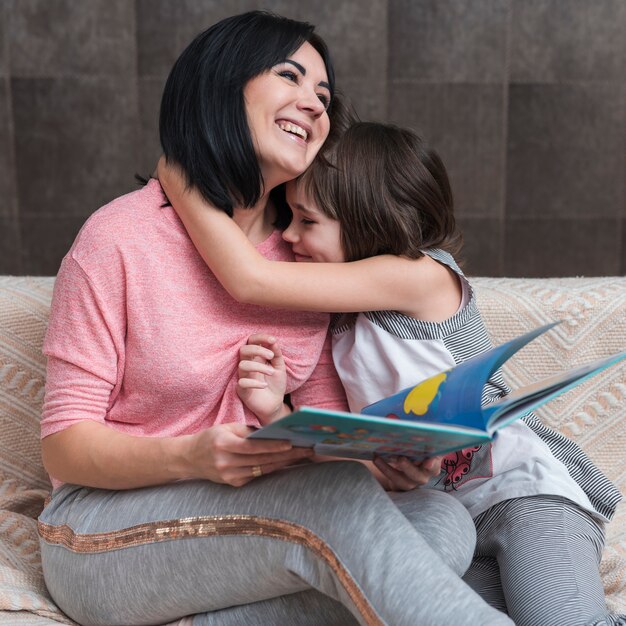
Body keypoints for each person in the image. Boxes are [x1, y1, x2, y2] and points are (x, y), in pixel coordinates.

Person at [37, 11, 514, 626]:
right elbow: (63, 447)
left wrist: (379, 461)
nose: (314, 105)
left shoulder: (304, 262)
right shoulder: (120, 238)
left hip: (257, 518)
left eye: (323, 93)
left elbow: (320, 429)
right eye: (289, 76)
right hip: (103, 532)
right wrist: (191, 458)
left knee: (440, 519)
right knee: (332, 506)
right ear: (220, 84)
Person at [158, 119, 625, 626]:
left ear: (369, 220)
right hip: (457, 521)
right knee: (393, 606)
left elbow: (251, 280)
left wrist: (181, 179)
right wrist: (279, 409)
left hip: (525, 494)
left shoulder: (420, 277)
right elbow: (349, 443)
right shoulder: (340, 324)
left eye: (306, 221)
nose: (288, 235)